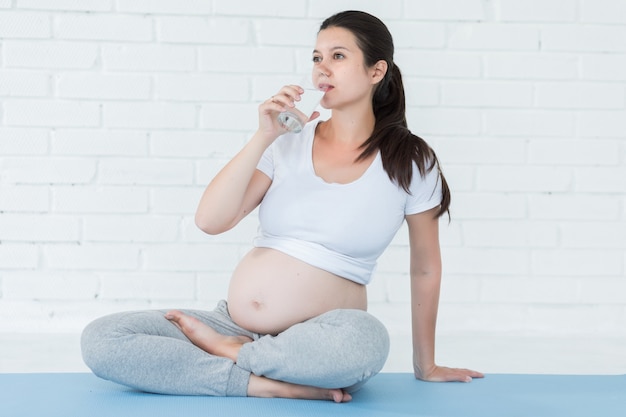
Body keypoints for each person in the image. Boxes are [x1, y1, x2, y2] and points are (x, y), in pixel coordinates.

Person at [81, 10, 483, 403]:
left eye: (338, 56)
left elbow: (426, 267)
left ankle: (232, 356)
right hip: (231, 323)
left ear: (376, 71)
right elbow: (210, 221)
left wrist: (424, 365)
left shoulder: (410, 161)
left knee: (366, 343)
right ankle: (263, 381)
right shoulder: (288, 141)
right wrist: (263, 136)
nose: (322, 69)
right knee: (103, 340)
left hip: (321, 337)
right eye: (316, 58)